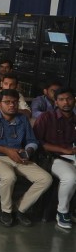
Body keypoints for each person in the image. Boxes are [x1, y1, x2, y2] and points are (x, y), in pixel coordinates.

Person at [0, 89, 52, 227]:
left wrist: (28, 151)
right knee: (9, 176)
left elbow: (32, 140)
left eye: (15, 102)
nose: (12, 105)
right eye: (7, 102)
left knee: (45, 179)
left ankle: (20, 208)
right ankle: (6, 211)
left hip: (18, 157)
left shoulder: (22, 119)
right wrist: (5, 150)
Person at [32, 87, 76, 229]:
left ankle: (73, 209)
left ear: (74, 100)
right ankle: (62, 212)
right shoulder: (46, 117)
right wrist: (63, 150)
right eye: (61, 100)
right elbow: (37, 142)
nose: (66, 103)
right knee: (70, 177)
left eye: (69, 99)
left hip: (72, 155)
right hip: (52, 158)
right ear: (56, 102)